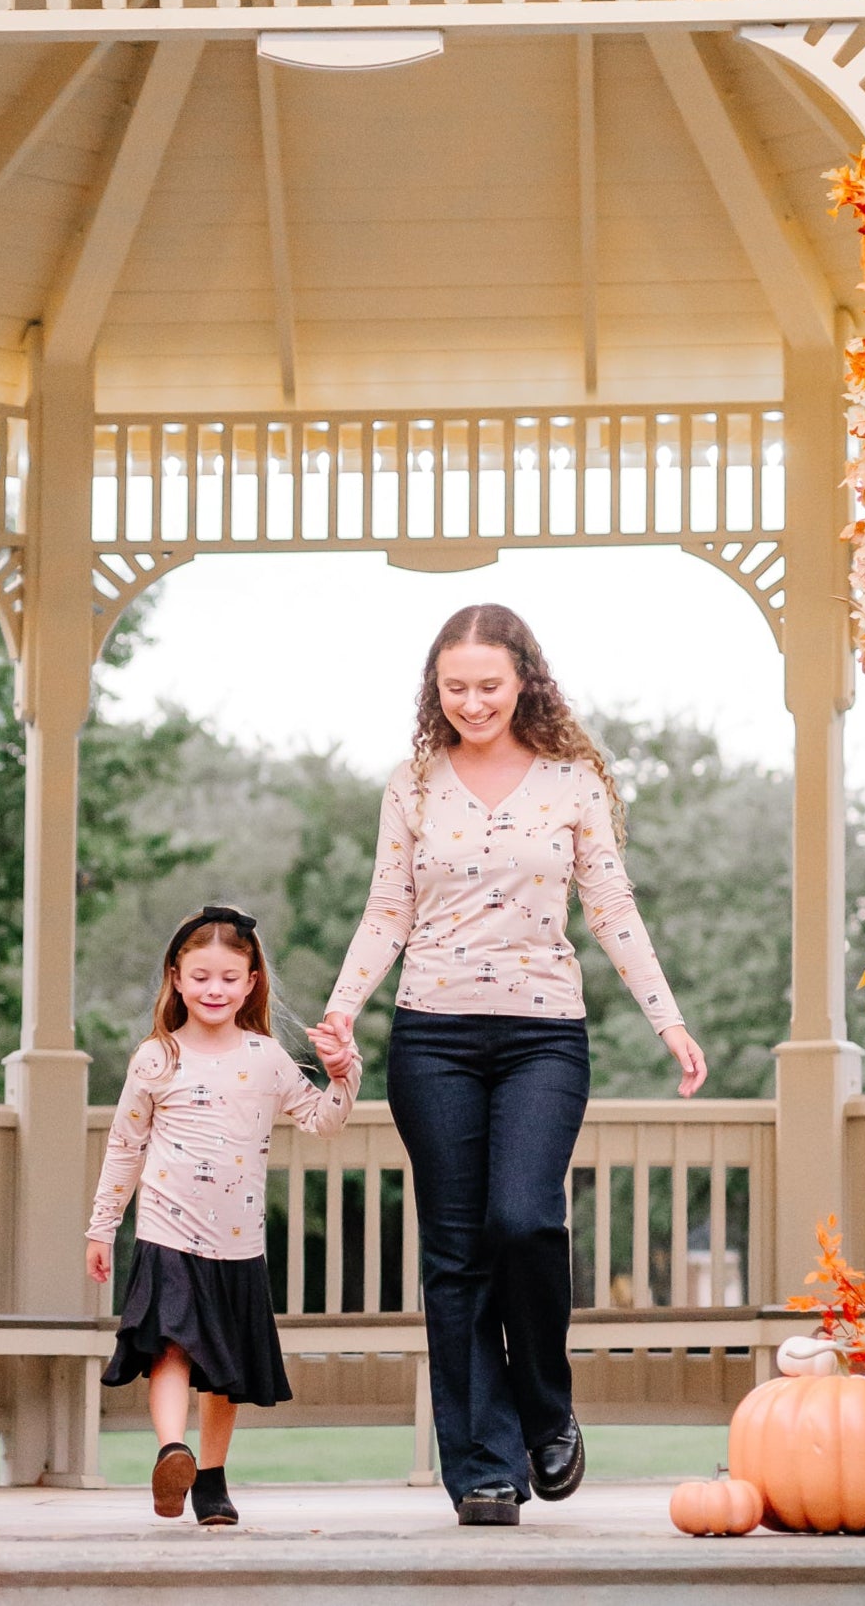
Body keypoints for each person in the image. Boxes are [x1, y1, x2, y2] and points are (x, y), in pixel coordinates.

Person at [309, 604, 704, 1526]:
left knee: (523, 1221)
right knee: (455, 1257)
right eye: (455, 688)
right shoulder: (410, 784)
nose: (473, 702)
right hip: (432, 1035)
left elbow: (610, 907)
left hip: (541, 1037)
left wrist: (668, 1020)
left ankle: (545, 1406)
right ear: (433, 689)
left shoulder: (573, 784)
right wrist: (341, 1008)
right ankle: (483, 1466)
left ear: (525, 677)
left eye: (489, 684)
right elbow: (385, 909)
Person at [88, 904, 362, 1526]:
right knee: (170, 1353)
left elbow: (324, 1120)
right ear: (177, 978)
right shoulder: (156, 1058)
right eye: (202, 976)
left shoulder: (267, 1058)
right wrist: (102, 1227)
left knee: (222, 1374)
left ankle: (210, 1478)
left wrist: (346, 1075)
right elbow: (125, 1146)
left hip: (238, 1242)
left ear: (252, 982)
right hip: (166, 1231)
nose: (215, 989)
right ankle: (172, 1452)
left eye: (229, 978)